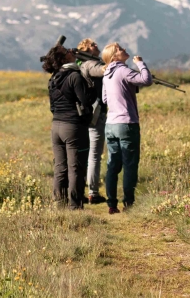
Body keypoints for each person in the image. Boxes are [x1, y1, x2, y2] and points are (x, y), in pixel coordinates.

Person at [101, 43, 152, 215]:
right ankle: (129, 204)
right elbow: (146, 80)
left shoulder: (106, 74)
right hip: (127, 124)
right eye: (121, 49)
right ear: (115, 56)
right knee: (130, 165)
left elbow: (105, 98)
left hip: (111, 124)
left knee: (113, 165)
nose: (124, 49)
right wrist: (140, 64)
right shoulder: (123, 70)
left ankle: (111, 204)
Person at [42, 43, 92, 210]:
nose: (71, 51)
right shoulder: (74, 76)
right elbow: (85, 101)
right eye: (67, 51)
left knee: (60, 167)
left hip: (56, 126)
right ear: (64, 58)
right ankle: (75, 206)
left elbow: (52, 106)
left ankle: (59, 204)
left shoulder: (54, 78)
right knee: (75, 168)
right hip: (73, 127)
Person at [76, 38, 107, 204]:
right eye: (94, 45)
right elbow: (102, 71)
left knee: (84, 154)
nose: (97, 46)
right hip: (96, 114)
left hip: (84, 114)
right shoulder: (90, 64)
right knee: (94, 155)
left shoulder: (79, 64)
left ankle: (81, 190)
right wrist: (115, 63)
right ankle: (93, 193)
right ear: (87, 49)